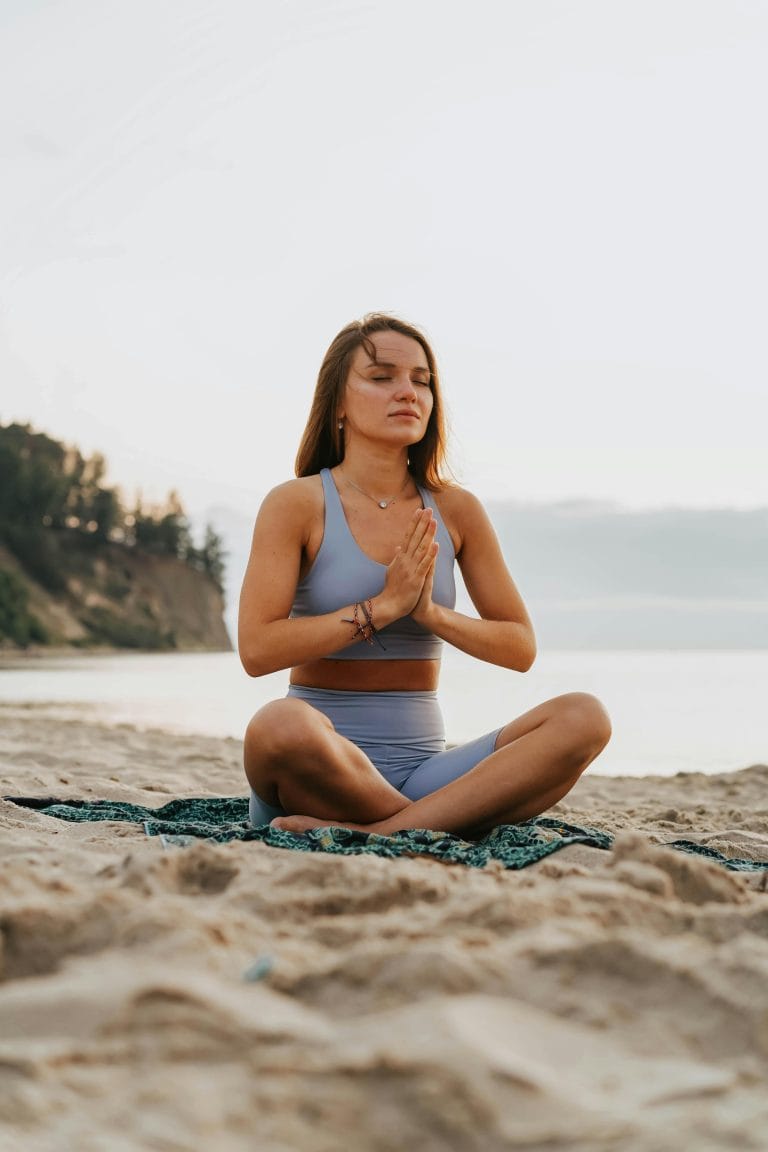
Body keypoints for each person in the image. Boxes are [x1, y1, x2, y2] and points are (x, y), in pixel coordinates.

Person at [239, 313, 611, 837]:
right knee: (276, 725)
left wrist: (431, 614)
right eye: (382, 376)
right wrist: (380, 609)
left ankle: (386, 829)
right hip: (317, 767)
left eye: (421, 380)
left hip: (425, 776)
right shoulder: (296, 504)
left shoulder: (457, 510)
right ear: (338, 403)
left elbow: (519, 646)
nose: (407, 392)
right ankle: (433, 823)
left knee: (584, 716)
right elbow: (257, 650)